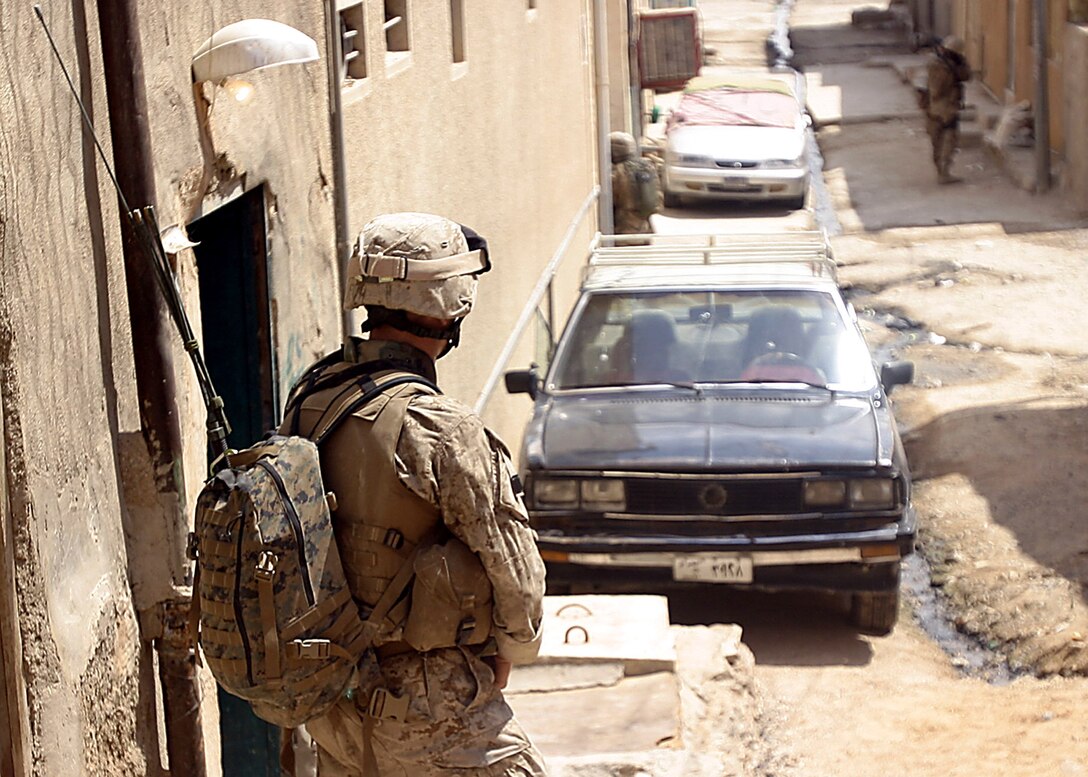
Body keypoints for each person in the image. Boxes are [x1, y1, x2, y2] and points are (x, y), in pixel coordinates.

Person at [289, 212, 548, 777]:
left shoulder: (310, 398)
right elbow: (516, 572)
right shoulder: (441, 428)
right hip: (433, 710)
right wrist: (512, 649)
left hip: (334, 701)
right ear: (450, 306)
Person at [922, 35, 971, 184]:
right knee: (947, 140)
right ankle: (943, 173)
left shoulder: (943, 64)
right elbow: (938, 89)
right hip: (944, 107)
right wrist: (955, 67)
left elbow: (966, 76)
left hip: (936, 107)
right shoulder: (941, 67)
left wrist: (959, 64)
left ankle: (942, 171)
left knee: (939, 141)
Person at [610, 131, 659, 237]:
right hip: (645, 225)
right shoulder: (647, 165)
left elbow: (613, 197)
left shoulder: (619, 171)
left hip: (626, 226)